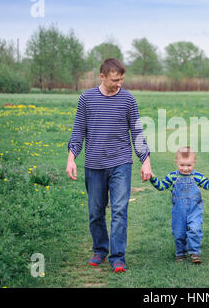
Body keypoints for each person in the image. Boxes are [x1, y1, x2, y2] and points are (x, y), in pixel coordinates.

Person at [66, 58, 152, 273]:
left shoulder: (128, 100)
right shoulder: (86, 99)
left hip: (120, 163)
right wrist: (71, 158)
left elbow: (137, 133)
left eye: (122, 79)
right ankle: (100, 250)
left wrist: (146, 161)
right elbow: (78, 131)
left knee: (120, 210)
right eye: (115, 80)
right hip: (94, 165)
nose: (119, 84)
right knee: (96, 212)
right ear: (102, 76)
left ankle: (117, 257)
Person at [149, 146, 209, 264]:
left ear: (194, 163)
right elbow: (161, 186)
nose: (185, 168)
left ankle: (194, 252)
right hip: (178, 210)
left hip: (194, 209)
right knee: (179, 232)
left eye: (189, 165)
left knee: (195, 229)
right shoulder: (172, 177)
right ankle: (181, 252)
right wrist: (152, 178)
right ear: (176, 162)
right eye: (182, 165)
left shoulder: (197, 176)